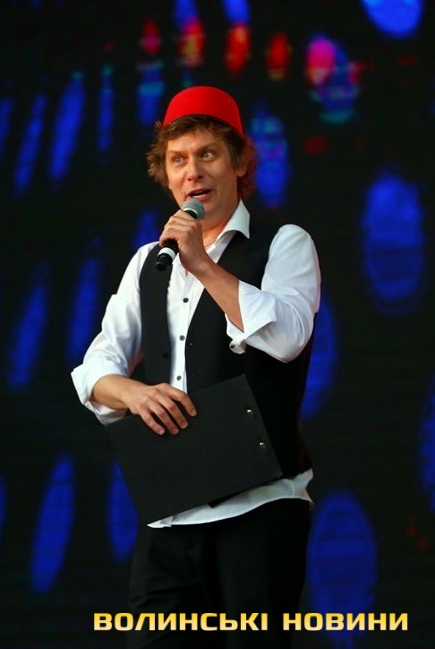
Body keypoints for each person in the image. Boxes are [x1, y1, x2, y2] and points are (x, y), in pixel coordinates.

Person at [70, 86, 320, 648]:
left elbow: (287, 338)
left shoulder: (283, 244)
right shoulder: (148, 263)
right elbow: (95, 366)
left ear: (240, 161)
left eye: (207, 154)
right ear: (165, 175)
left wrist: (203, 264)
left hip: (260, 505)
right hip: (171, 516)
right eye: (178, 159)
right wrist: (132, 394)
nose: (193, 172)